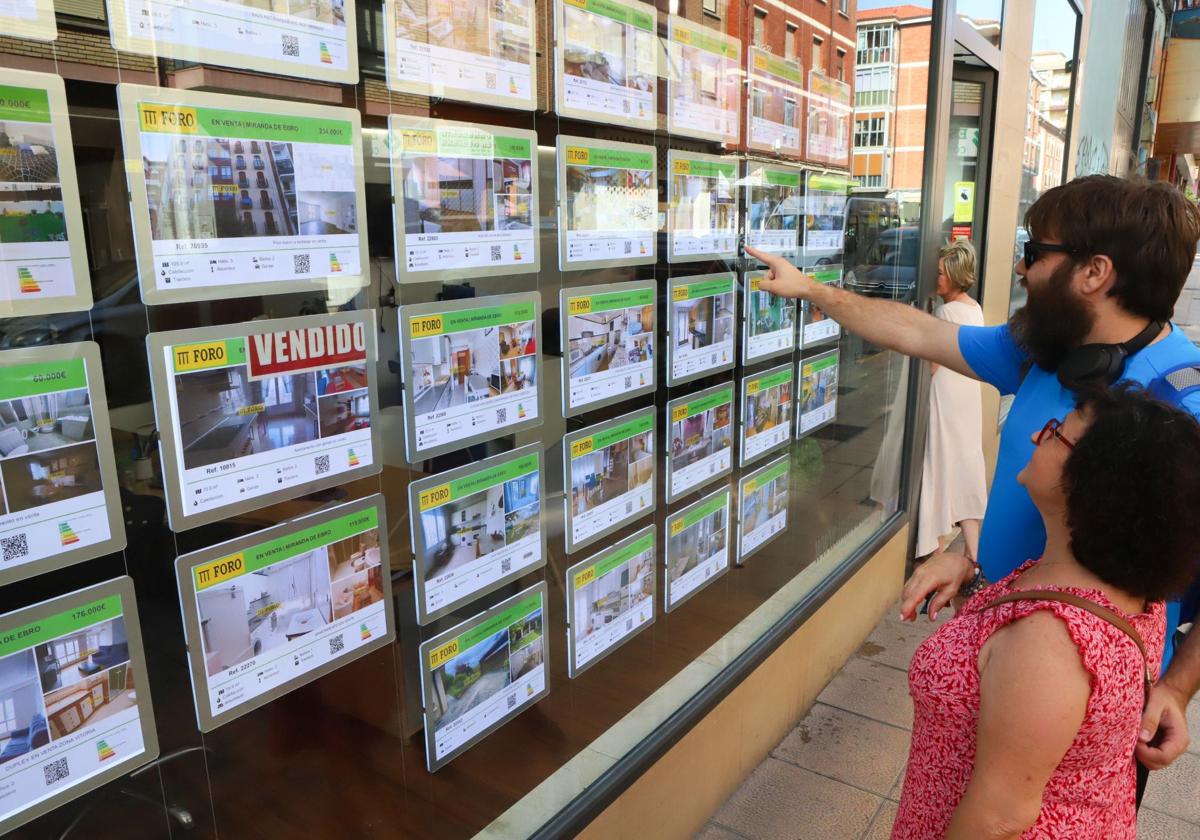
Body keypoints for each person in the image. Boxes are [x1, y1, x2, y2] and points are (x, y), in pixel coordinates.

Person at [745, 174, 1200, 773]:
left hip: (1080, 701)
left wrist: (1176, 688)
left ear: (1095, 273)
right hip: (998, 650)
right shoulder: (1051, 349)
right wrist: (813, 290)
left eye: (1036, 254)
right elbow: (920, 332)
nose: (1020, 268)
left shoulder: (1179, 408)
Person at [892, 385, 1200, 839]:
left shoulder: (1049, 641)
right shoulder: (1123, 590)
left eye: (1057, 433)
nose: (1037, 434)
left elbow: (998, 816)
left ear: (1095, 485)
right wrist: (970, 578)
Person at [915, 240, 987, 560]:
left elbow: (931, 366)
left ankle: (935, 549)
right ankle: (975, 556)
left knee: (939, 464)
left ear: (956, 276)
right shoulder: (975, 308)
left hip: (946, 395)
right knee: (964, 465)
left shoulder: (945, 311)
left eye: (942, 273)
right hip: (967, 397)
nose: (937, 277)